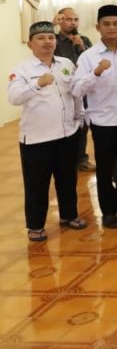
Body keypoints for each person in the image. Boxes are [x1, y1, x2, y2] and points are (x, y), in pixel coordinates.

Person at [8, 21, 87, 242]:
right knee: (37, 184)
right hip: (37, 138)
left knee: (67, 179)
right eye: (41, 38)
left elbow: (75, 93)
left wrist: (79, 118)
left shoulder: (66, 64)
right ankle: (35, 226)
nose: (47, 42)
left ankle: (69, 215)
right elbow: (14, 98)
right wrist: (38, 84)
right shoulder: (22, 69)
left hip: (67, 134)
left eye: (51, 37)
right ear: (30, 44)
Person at [72, 5, 117, 229]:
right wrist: (95, 73)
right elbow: (77, 89)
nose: (111, 28)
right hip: (103, 121)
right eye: (106, 24)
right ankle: (108, 211)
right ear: (98, 27)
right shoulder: (88, 57)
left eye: (116, 23)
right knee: (105, 169)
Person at [54, 7, 94, 171]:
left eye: (76, 20)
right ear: (60, 20)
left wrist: (82, 47)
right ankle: (64, 160)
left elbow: (93, 61)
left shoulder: (84, 39)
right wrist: (51, 24)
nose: (73, 23)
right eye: (69, 19)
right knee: (63, 124)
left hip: (83, 89)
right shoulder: (54, 40)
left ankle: (81, 159)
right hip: (62, 89)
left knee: (83, 125)